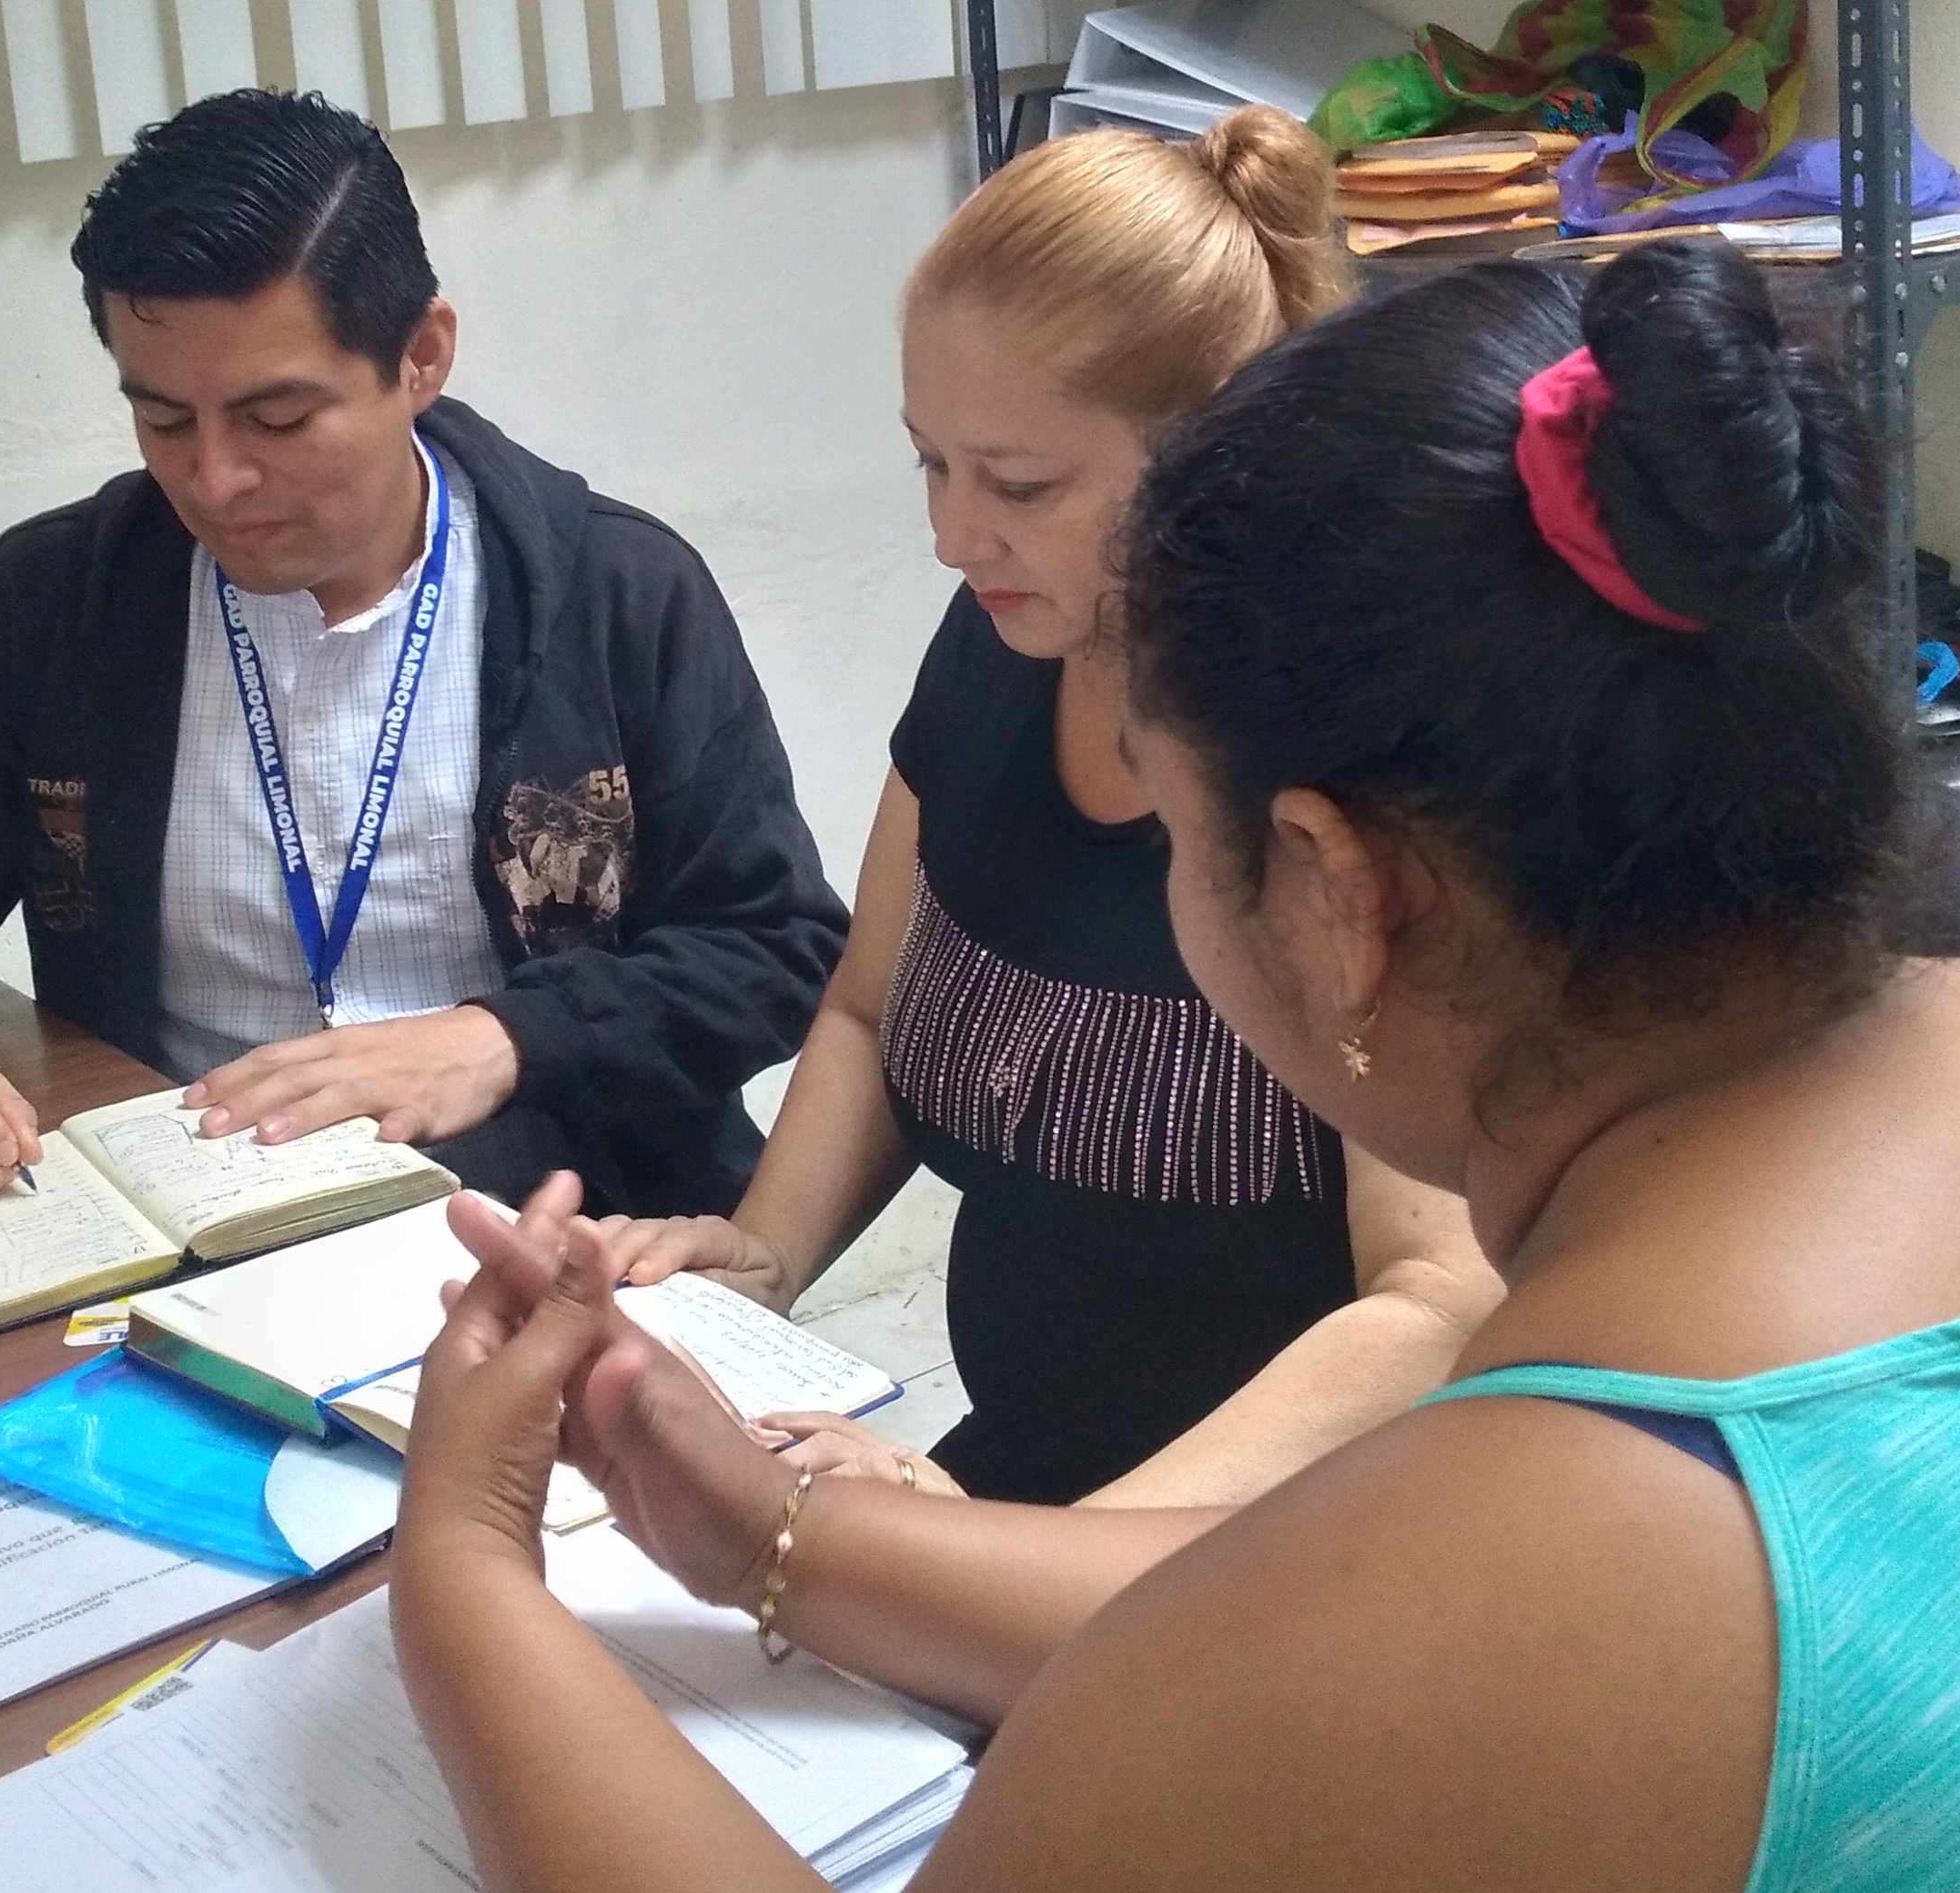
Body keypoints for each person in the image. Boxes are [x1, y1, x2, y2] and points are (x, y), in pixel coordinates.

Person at [390, 238, 1960, 1893]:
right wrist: (774, 1536)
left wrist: (464, 1565)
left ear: (1334, 888)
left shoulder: (1459, 1596)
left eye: (1172, 830)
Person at [604, 111, 1497, 1503]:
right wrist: (760, 1266)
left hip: (1276, 1533)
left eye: (1018, 484)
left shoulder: (1369, 753)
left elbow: (1435, 1303)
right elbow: (871, 1010)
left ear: (1215, 448)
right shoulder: (1006, 638)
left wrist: (1033, 1556)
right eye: (930, 463)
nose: (952, 537)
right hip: (1020, 1477)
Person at [0, 89, 846, 1214]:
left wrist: (505, 1039)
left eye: (276, 419)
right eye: (165, 420)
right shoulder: (55, 606)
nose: (215, 480)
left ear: (420, 355)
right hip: (195, 1233)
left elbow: (770, 948)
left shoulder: (611, 593)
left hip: (560, 1225)